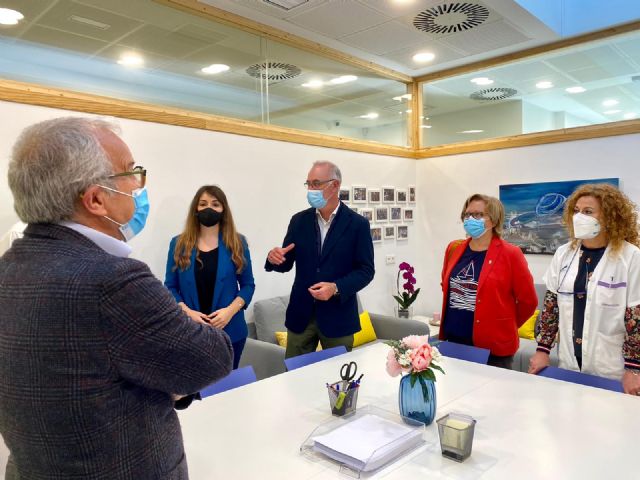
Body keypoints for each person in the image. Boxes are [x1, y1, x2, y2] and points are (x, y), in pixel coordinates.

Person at [0, 117, 233, 480]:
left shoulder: (8, 268)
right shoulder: (113, 280)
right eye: (130, 172)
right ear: (96, 199)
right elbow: (213, 359)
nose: (138, 184)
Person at [528, 183, 640, 395]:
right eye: (576, 211)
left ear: (610, 217)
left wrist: (634, 368)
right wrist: (543, 350)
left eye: (588, 212)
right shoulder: (563, 254)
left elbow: (636, 318)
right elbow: (551, 307)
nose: (579, 217)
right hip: (569, 361)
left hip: (611, 367)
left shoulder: (631, 257)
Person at [265, 161, 374, 358]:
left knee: (337, 374)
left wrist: (336, 287)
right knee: (296, 373)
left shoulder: (357, 224)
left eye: (316, 184)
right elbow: (285, 262)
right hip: (301, 315)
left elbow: (366, 271)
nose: (311, 189)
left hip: (338, 317)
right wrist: (274, 258)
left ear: (335, 185)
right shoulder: (299, 221)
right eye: (308, 184)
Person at [440, 193, 538, 369]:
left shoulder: (511, 254)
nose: (471, 219)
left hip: (493, 349)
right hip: (453, 341)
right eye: (467, 214)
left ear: (493, 220)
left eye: (478, 215)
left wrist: (504, 325)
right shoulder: (454, 248)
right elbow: (446, 286)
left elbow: (528, 301)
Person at [165, 185, 255, 369]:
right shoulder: (178, 243)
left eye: (215, 204)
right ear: (195, 209)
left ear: (223, 210)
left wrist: (229, 312)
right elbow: (170, 287)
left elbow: (248, 285)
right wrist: (187, 312)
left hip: (230, 331)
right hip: (190, 331)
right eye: (203, 204)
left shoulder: (237, 243)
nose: (209, 209)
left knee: (227, 384)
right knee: (194, 385)